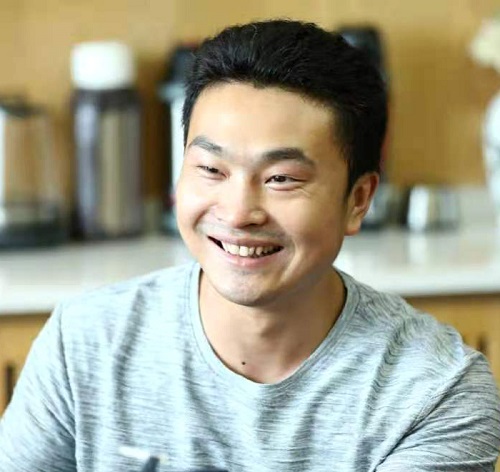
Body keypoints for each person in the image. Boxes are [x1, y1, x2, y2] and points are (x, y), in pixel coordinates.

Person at [0, 19, 499, 472]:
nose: (238, 213)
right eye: (210, 169)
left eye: (281, 177)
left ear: (358, 200)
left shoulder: (435, 393)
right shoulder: (84, 345)